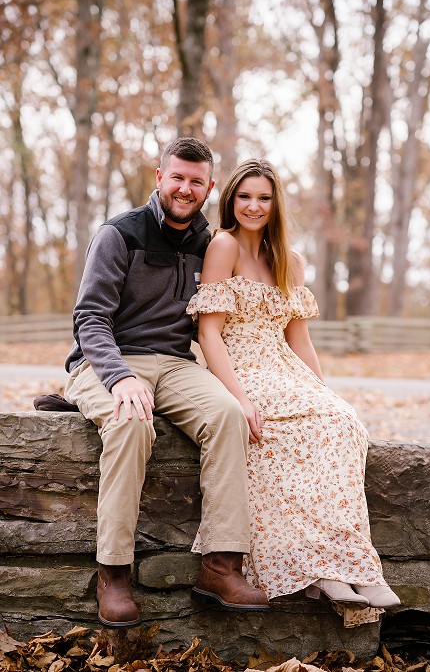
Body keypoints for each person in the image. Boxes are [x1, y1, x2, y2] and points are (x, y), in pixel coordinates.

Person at [64, 137, 269, 628]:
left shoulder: (211, 245)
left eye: (196, 181)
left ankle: (221, 566)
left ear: (209, 187)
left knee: (226, 416)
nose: (185, 188)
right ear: (159, 178)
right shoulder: (120, 234)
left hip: (175, 363)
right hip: (105, 360)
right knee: (132, 422)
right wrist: (117, 378)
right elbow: (90, 318)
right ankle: (113, 573)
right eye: (176, 177)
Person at [185, 158, 400, 622]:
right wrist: (239, 398)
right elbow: (209, 334)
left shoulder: (291, 261)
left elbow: (298, 338)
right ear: (231, 200)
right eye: (245, 197)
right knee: (275, 435)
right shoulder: (222, 247)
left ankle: (356, 566)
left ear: (275, 204)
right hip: (239, 366)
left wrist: (323, 392)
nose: (254, 206)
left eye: (263, 198)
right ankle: (314, 568)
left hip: (283, 366)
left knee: (339, 421)